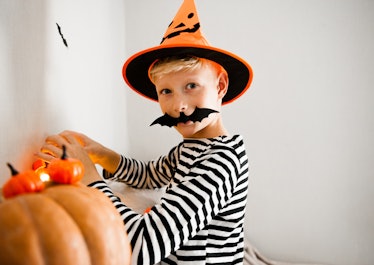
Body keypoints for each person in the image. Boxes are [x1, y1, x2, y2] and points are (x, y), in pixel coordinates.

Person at [37, 0, 253, 264]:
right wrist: (104, 155)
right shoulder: (193, 148)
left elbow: (141, 248)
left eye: (192, 86)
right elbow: (150, 176)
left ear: (220, 86)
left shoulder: (220, 161)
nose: (179, 106)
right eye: (166, 91)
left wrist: (92, 182)